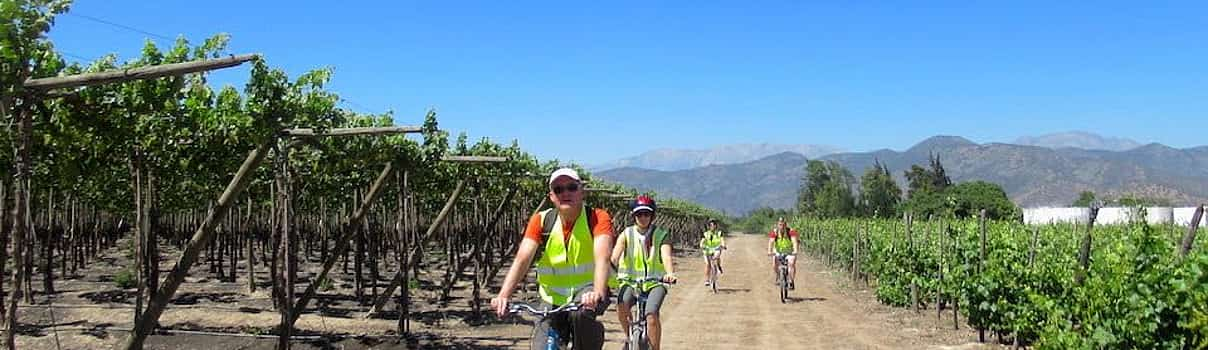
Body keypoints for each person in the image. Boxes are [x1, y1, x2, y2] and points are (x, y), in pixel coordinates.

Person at [491, 168, 614, 349]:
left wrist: (596, 292)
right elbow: (522, 259)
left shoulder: (597, 217)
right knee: (543, 345)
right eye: (558, 189)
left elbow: (602, 257)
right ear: (552, 196)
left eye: (571, 187)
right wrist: (503, 296)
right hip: (551, 297)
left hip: (587, 291)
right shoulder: (541, 220)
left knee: (581, 315)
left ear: (582, 192)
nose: (565, 193)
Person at [611, 194, 677, 350]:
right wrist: (608, 270)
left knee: (651, 314)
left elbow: (666, 256)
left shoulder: (661, 235)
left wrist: (669, 273)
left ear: (652, 215)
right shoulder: (626, 234)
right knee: (621, 305)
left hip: (656, 282)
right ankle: (628, 337)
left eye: (646, 214)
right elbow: (614, 257)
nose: (643, 217)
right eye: (639, 214)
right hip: (629, 282)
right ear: (634, 215)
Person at [767, 217, 799, 290]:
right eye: (780, 224)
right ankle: (779, 276)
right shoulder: (775, 232)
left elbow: (794, 242)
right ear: (777, 225)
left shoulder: (791, 231)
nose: (781, 226)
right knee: (775, 264)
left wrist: (795, 251)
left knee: (791, 264)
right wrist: (769, 251)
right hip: (778, 251)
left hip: (790, 251)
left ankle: (791, 280)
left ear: (785, 225)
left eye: (783, 224)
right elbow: (771, 242)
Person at [699, 219, 726, 285]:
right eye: (711, 225)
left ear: (716, 226)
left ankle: (718, 266)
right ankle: (707, 279)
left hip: (716, 248)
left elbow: (722, 240)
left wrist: (723, 245)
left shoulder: (719, 233)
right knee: (708, 264)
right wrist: (702, 245)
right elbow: (702, 242)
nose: (712, 227)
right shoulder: (705, 234)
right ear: (709, 226)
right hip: (707, 250)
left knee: (717, 257)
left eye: (714, 225)